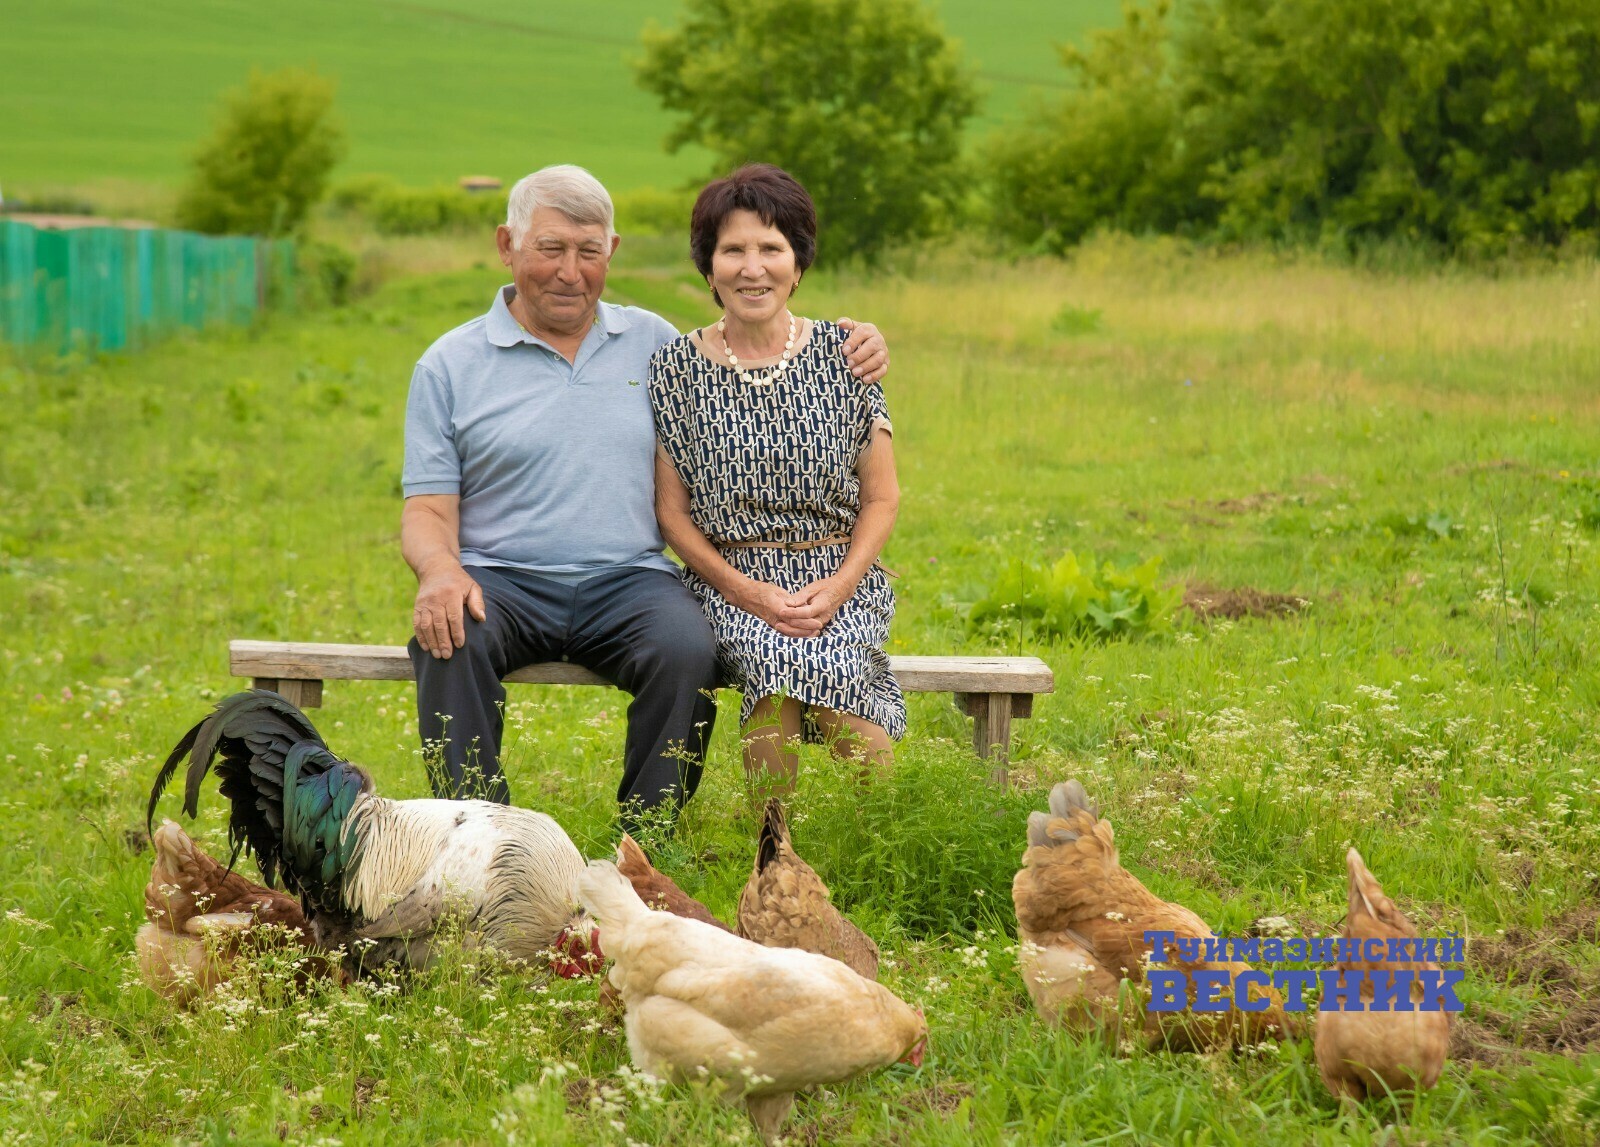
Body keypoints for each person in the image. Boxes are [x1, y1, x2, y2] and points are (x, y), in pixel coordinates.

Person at [401, 165, 889, 828]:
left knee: (687, 645)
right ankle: (480, 838)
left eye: (588, 251)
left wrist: (856, 340)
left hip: (628, 578)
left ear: (612, 253)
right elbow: (428, 509)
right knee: (449, 637)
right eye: (550, 249)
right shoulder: (449, 364)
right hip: (499, 580)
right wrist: (439, 569)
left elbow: (750, 344)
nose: (569, 271)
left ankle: (648, 841)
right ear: (507, 245)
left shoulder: (654, 344)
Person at [649, 164, 904, 795]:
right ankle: (775, 846)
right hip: (729, 583)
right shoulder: (675, 368)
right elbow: (671, 514)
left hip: (840, 577)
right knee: (776, 666)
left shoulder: (845, 355)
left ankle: (886, 844)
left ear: (798, 263)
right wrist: (746, 592)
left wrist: (840, 586)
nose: (751, 267)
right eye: (732, 250)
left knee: (833, 693)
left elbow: (882, 496)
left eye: (771, 248)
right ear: (708, 268)